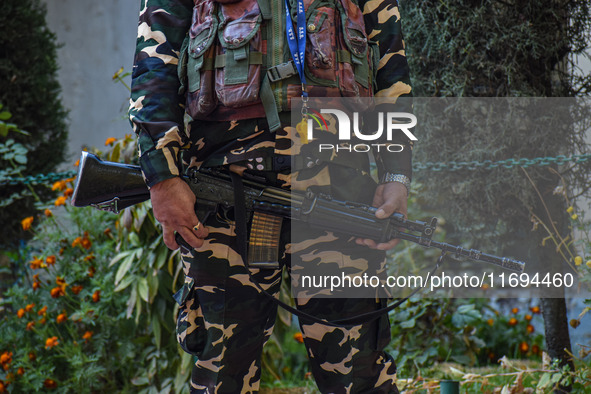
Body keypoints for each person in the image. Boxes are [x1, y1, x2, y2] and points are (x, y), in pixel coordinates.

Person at [129, 0, 412, 392]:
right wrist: (163, 180)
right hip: (227, 202)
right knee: (222, 373)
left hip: (340, 199)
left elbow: (391, 68)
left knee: (359, 374)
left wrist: (397, 172)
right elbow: (153, 71)